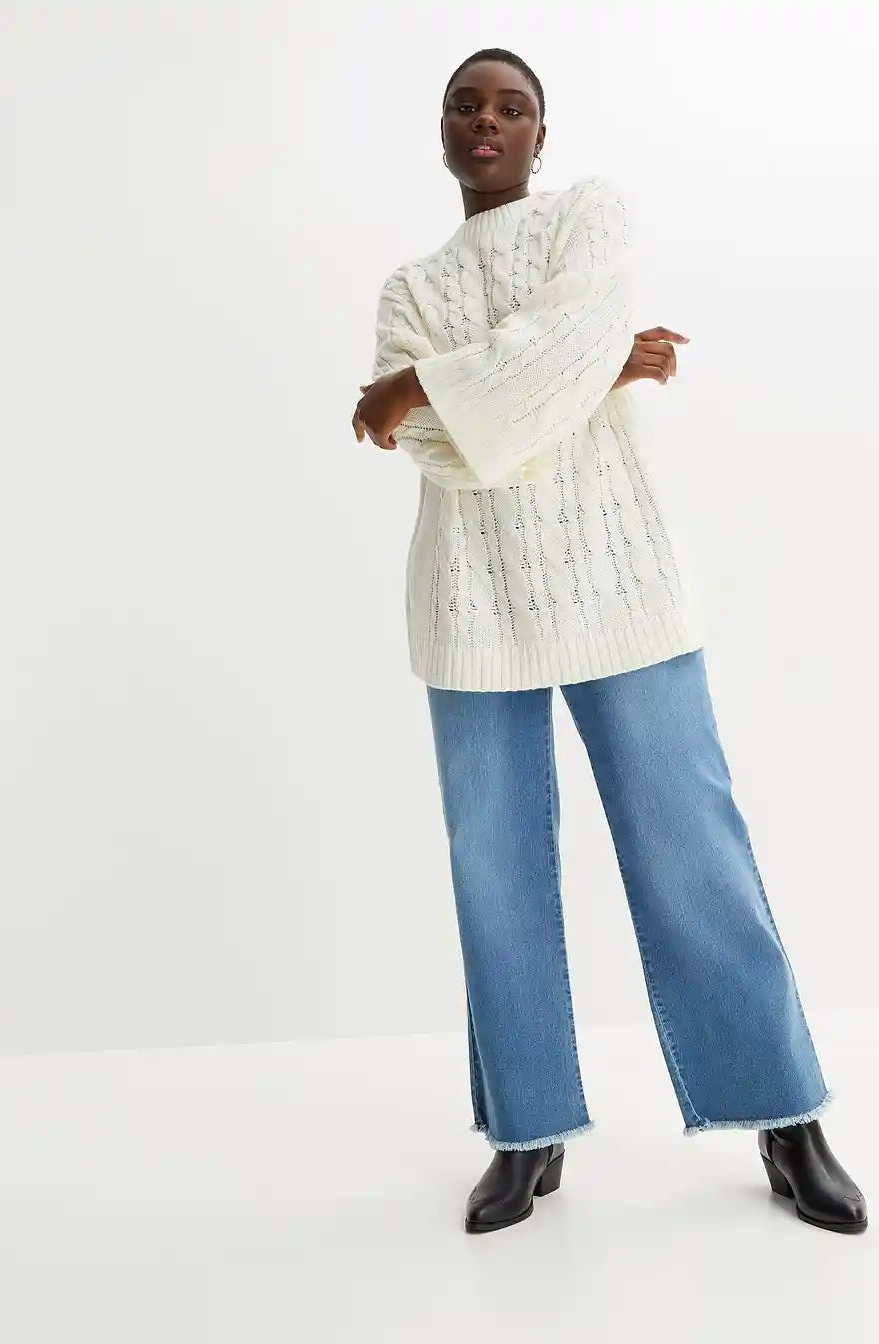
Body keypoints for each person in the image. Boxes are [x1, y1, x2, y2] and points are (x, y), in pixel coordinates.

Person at [352, 47, 866, 1238]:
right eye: (465, 105)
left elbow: (481, 388)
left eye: (512, 106)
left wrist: (436, 384)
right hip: (470, 604)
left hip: (621, 580)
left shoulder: (592, 213)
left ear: (543, 131)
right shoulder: (408, 287)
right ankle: (525, 1131)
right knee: (494, 869)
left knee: (695, 850)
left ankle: (784, 1114)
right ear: (442, 131)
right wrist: (573, 370)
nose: (487, 120)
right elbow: (435, 447)